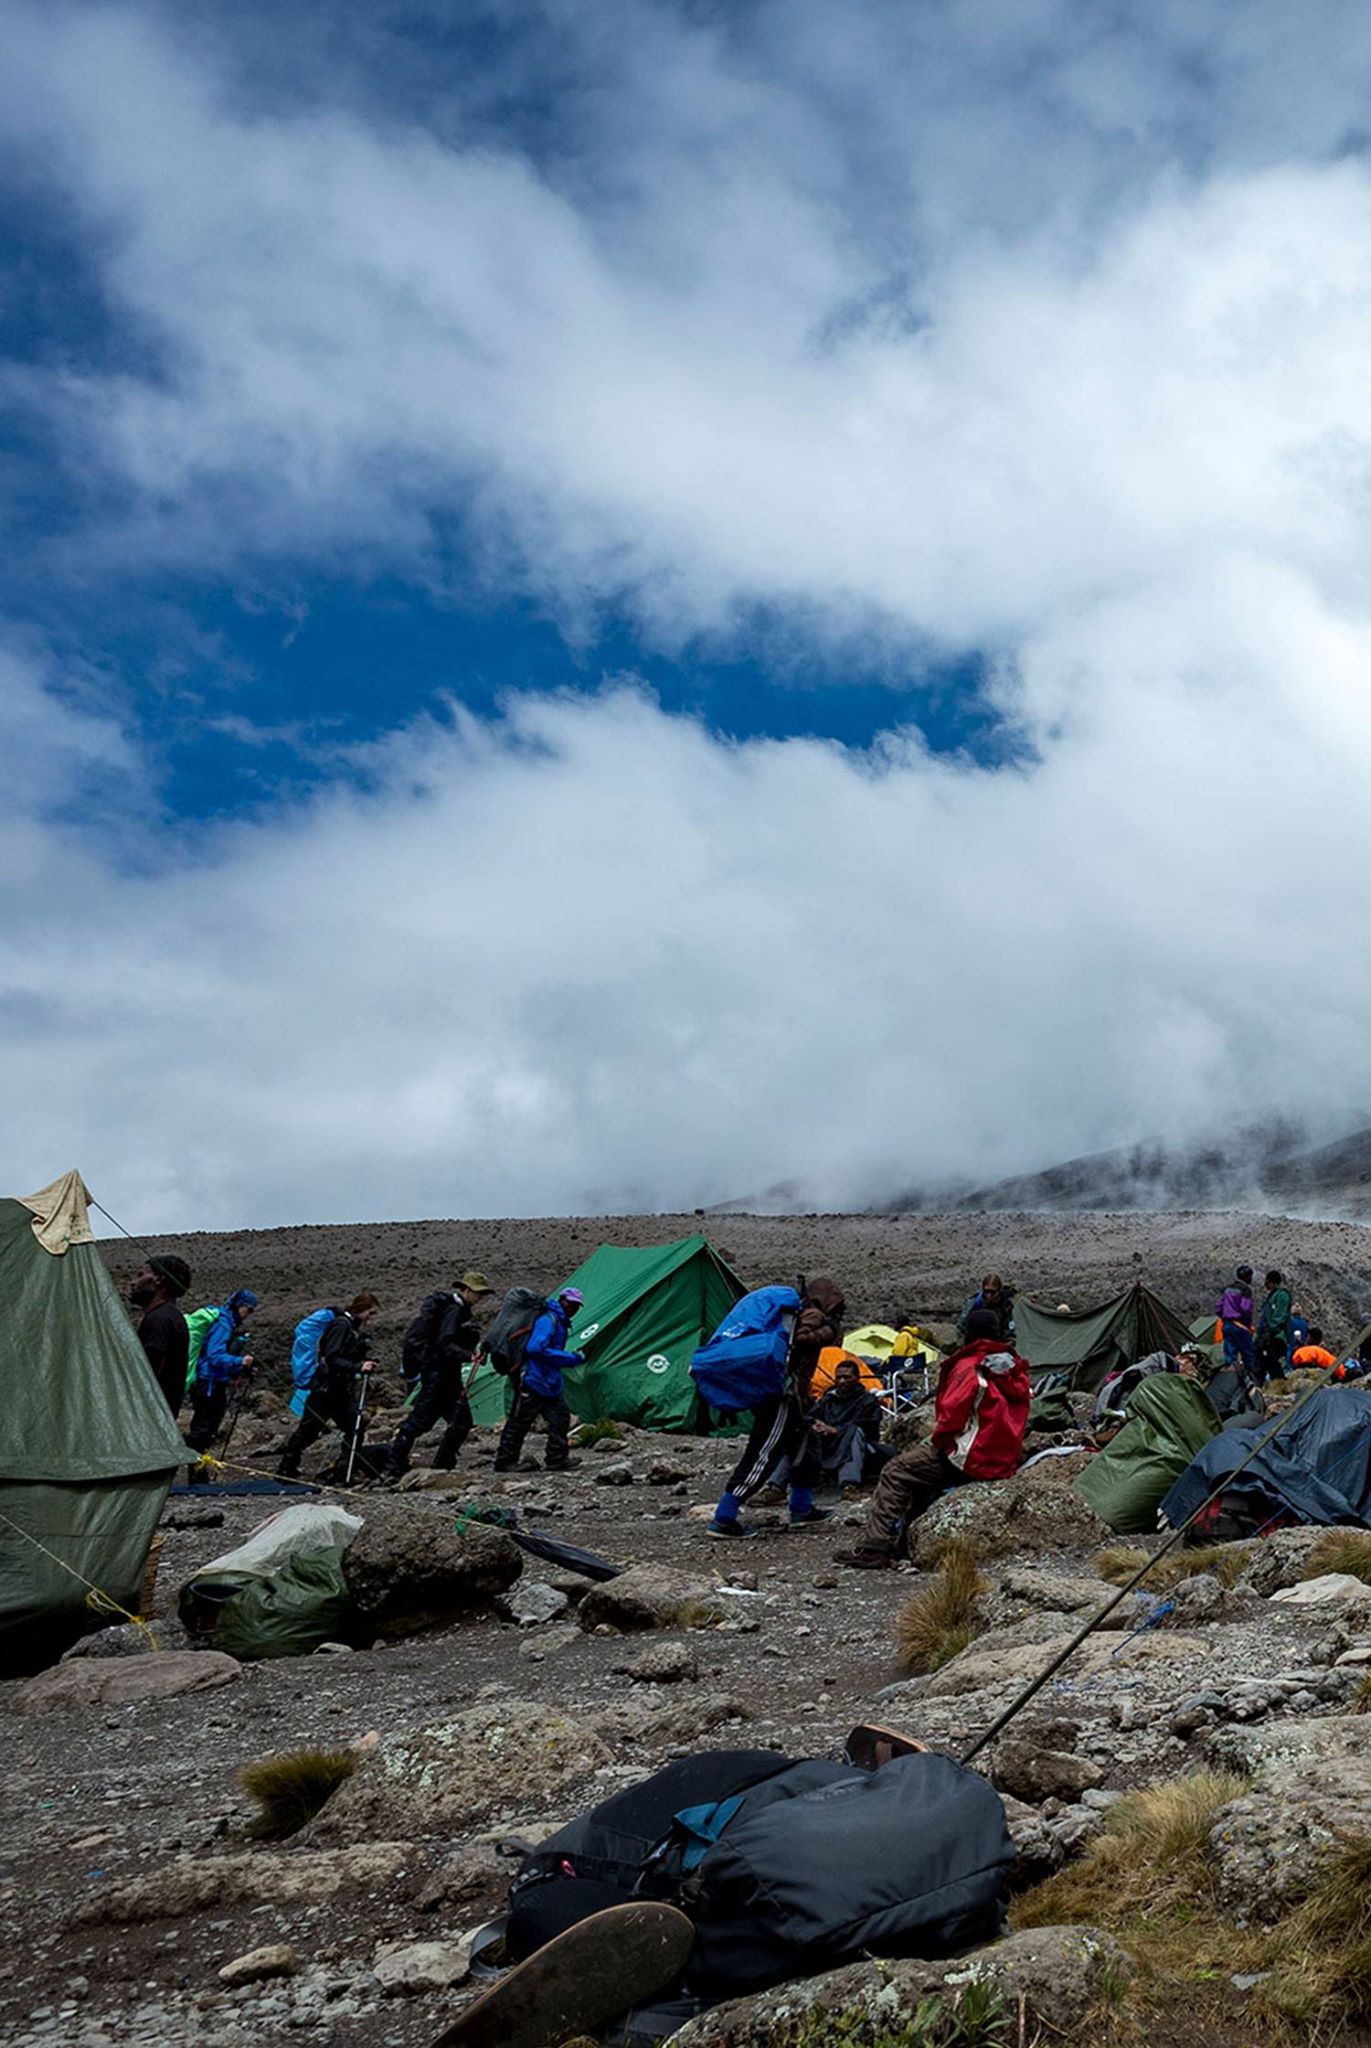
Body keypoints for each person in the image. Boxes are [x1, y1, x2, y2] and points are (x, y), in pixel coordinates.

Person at [835, 1308, 1031, 1568]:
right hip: (1002, 1459)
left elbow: (951, 1418)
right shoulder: (1012, 1368)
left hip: (970, 1457)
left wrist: (937, 1442)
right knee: (920, 1475)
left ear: (968, 1334)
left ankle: (875, 1546)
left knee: (896, 1470)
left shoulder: (970, 1367)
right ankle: (906, 1541)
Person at [384, 1270, 494, 1475]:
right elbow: (445, 1344)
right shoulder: (454, 1311)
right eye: (478, 1293)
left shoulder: (455, 1309)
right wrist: (468, 1355)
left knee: (456, 1422)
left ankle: (438, 1464)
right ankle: (396, 1466)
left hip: (443, 1376)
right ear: (466, 1290)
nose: (480, 1298)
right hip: (439, 1376)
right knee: (422, 1422)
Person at [278, 1293, 380, 1479]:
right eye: (370, 1313)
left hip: (336, 1389)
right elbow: (331, 1357)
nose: (371, 1318)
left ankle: (344, 1468)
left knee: (354, 1426)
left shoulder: (349, 1327)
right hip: (327, 1389)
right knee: (310, 1430)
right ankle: (287, 1468)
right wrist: (358, 1366)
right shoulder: (341, 1326)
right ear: (361, 1309)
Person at [493, 1287, 585, 1474]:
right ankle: (505, 1461)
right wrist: (569, 1358)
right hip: (533, 1379)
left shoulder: (558, 1320)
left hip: (548, 1381)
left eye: (576, 1305)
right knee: (520, 1422)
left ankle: (557, 1458)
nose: (573, 1308)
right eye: (570, 1303)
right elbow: (535, 1348)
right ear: (562, 1300)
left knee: (560, 1418)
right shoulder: (548, 1320)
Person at [185, 1288, 258, 1460]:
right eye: (249, 1309)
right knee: (203, 1429)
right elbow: (215, 1356)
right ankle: (196, 1475)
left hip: (208, 1381)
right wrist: (240, 1361)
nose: (249, 1314)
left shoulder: (226, 1322)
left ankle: (197, 1473)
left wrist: (239, 1369)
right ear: (240, 1306)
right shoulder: (224, 1323)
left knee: (204, 1428)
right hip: (208, 1383)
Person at [801, 1356, 884, 1497]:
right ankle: (776, 1487)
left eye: (847, 1377)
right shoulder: (828, 1399)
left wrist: (837, 1430)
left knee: (854, 1431)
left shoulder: (868, 1400)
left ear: (857, 1378)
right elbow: (809, 1416)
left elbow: (870, 1428)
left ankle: (850, 1485)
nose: (842, 1381)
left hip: (861, 1447)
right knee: (800, 1433)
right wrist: (816, 1425)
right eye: (838, 1377)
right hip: (828, 1443)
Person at [130, 1255, 192, 1416]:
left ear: (159, 1280)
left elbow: (146, 1373)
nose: (133, 1283)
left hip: (149, 1418)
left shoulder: (160, 1320)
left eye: (141, 1275)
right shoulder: (171, 1317)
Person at [1215, 1265, 1256, 1378]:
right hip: (1240, 1325)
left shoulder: (1228, 1289)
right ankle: (1251, 1379)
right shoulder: (1246, 1290)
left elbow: (1218, 1307)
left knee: (1230, 1355)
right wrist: (1247, 1324)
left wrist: (1224, 1316)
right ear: (1247, 1277)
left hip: (1227, 1324)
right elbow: (1245, 1308)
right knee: (1248, 1354)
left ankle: (1230, 1379)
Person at [1255, 1270, 1293, 1383]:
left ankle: (1279, 1381)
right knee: (1262, 1359)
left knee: (1270, 1359)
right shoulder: (1272, 1296)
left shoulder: (1282, 1295)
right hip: (1267, 1334)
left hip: (1276, 1336)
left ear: (1270, 1281)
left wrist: (1270, 1331)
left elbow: (1279, 1316)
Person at [957, 1274, 1014, 1342]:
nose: (989, 1295)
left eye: (992, 1292)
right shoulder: (974, 1303)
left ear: (999, 1291)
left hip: (998, 1341)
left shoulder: (1005, 1305)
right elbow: (962, 1325)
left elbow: (1009, 1327)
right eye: (986, 1291)